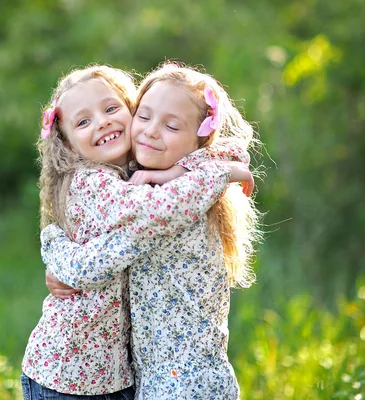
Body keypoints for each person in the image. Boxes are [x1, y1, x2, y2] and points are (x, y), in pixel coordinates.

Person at [21, 64, 254, 400]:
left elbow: (227, 152)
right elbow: (98, 257)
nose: (102, 122)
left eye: (112, 109)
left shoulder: (162, 187)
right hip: (73, 375)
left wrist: (194, 170)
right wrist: (55, 248)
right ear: (67, 143)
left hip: (169, 380)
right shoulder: (101, 183)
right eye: (83, 121)